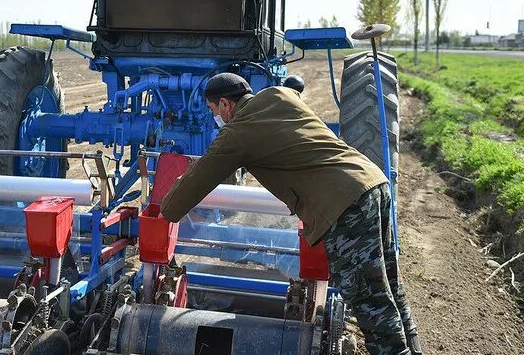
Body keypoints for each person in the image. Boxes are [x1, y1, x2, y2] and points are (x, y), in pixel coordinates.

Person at [159, 73, 422, 355]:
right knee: (389, 287)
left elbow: (196, 182)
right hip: (373, 183)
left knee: (370, 300)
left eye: (214, 111)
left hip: (345, 205)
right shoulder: (280, 95)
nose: (216, 118)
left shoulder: (238, 133)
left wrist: (166, 208)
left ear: (225, 104)